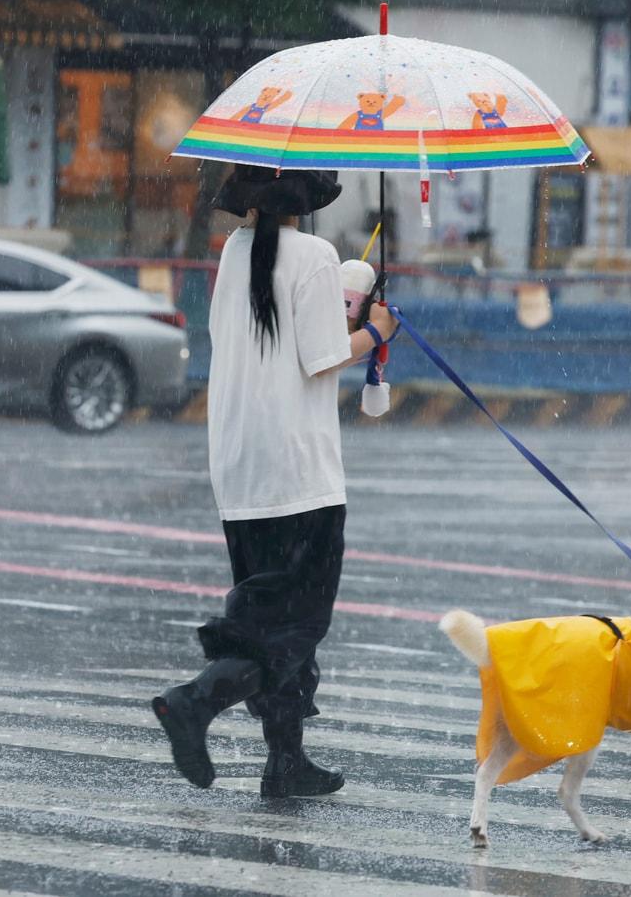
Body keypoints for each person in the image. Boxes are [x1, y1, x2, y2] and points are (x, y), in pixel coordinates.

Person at [152, 165, 398, 799]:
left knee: (272, 613)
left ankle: (285, 762)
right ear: (307, 199)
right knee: (292, 626)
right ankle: (195, 701)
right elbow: (320, 359)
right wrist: (376, 332)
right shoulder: (315, 255)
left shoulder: (235, 252)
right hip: (298, 471)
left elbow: (280, 343)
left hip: (239, 468)